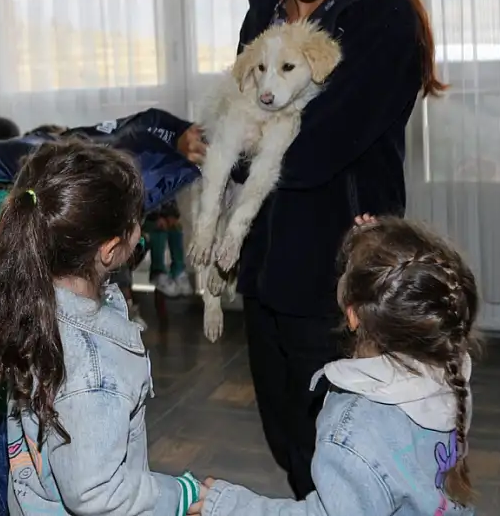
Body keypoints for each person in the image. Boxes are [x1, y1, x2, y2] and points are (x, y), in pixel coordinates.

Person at [233, 0, 444, 498]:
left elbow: (311, 151)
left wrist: (229, 144)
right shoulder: (264, 6)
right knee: (289, 440)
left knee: (344, 452)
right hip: (266, 257)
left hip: (341, 264)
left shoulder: (383, 16)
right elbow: (250, 103)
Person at [0, 109, 204, 516]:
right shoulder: (89, 372)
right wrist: (180, 495)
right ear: (111, 250)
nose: (143, 228)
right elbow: (95, 493)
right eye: (138, 220)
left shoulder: (34, 297)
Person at [190, 215, 480, 516]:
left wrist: (232, 506)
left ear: (352, 315)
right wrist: (379, 246)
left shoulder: (354, 428)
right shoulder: (451, 369)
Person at [144, 200, 193, 297]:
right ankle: (157, 272)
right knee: (159, 226)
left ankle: (178, 270)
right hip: (146, 214)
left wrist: (171, 214)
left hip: (163, 207)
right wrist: (156, 217)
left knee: (176, 226)